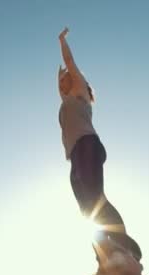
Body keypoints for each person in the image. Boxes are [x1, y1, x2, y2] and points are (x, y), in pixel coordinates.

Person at [57, 27, 125, 234]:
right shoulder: (66, 99)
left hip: (87, 145)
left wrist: (62, 42)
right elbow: (60, 85)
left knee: (96, 199)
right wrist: (58, 75)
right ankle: (107, 254)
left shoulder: (80, 91)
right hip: (76, 155)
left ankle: (123, 244)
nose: (61, 81)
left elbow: (69, 62)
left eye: (65, 77)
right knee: (85, 208)